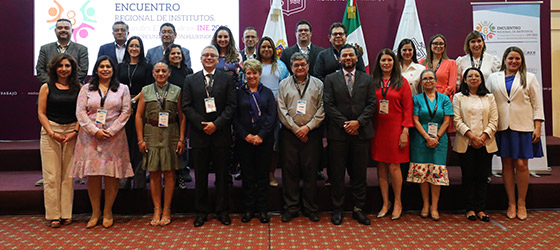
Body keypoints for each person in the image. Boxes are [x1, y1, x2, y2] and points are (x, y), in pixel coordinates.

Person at [71, 56, 133, 228]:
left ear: (113, 70)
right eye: (101, 66)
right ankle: (95, 212)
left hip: (115, 137)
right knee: (94, 174)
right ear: (96, 69)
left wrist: (111, 131)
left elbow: (126, 112)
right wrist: (95, 131)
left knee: (111, 175)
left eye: (108, 67)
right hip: (90, 137)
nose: (105, 69)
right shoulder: (86, 88)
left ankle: (107, 211)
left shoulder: (122, 89)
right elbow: (80, 112)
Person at [486, 47, 544, 220]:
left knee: (522, 165)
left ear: (522, 61)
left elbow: (537, 104)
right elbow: (488, 100)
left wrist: (538, 126)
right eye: (511, 58)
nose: (514, 61)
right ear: (504, 59)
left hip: (524, 127)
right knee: (507, 165)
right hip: (502, 126)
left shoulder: (530, 78)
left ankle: (521, 203)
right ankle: (511, 203)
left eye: (517, 58)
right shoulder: (493, 78)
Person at [182, 45, 237, 227]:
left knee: (222, 176)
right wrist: (202, 124)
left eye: (212, 55)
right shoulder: (191, 79)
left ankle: (222, 211)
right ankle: (201, 212)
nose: (209, 58)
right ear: (200, 58)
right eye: (205, 55)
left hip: (220, 134)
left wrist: (216, 124)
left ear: (217, 59)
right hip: (199, 135)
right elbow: (187, 106)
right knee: (201, 176)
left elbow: (231, 105)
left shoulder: (227, 79)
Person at [323, 44, 376, 225]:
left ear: (356, 58)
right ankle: (337, 209)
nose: (347, 58)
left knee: (359, 174)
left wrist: (358, 122)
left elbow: (371, 104)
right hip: (338, 134)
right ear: (339, 59)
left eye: (351, 55)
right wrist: (345, 123)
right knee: (337, 174)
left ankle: (358, 209)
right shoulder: (330, 79)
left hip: (361, 134)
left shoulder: (367, 79)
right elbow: (328, 104)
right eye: (344, 55)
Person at [135, 62, 186, 226]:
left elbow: (182, 116)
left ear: (169, 73)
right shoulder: (145, 90)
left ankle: (167, 209)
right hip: (151, 133)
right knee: (154, 173)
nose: (161, 73)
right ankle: (157, 209)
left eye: (164, 71)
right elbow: (138, 116)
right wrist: (140, 139)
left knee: (169, 173)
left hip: (171, 133)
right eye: (157, 71)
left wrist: (181, 138)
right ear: (153, 73)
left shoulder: (177, 90)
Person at [277, 52, 325, 223]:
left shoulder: (318, 84)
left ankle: (311, 208)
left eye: (302, 64)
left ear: (308, 65)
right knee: (289, 172)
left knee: (310, 172)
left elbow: (322, 109)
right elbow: (281, 109)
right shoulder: (283, 84)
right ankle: (291, 207)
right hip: (289, 134)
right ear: (291, 67)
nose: (299, 68)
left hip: (311, 134)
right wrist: (296, 128)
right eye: (296, 65)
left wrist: (307, 128)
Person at [37, 54, 81, 228]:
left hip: (72, 133)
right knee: (51, 175)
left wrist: (75, 131)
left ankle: (66, 213)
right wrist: (51, 132)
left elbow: (82, 112)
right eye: (61, 66)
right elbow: (41, 113)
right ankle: (54, 215)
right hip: (51, 132)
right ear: (55, 68)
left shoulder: (79, 87)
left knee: (68, 176)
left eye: (67, 66)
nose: (64, 69)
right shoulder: (46, 87)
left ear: (72, 68)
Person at [370, 49, 413, 221]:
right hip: (378, 129)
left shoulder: (401, 82)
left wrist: (405, 131)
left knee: (394, 167)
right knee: (381, 166)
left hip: (396, 129)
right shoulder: (373, 82)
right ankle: (385, 203)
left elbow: (408, 109)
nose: (386, 63)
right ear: (378, 63)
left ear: (394, 63)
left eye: (389, 60)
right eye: (383, 60)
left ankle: (397, 202)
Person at [233, 59, 277, 223]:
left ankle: (263, 210)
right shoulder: (239, 93)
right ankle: (249, 209)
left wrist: (261, 135)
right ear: (245, 74)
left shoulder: (267, 93)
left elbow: (272, 117)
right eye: (248, 73)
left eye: (254, 73)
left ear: (260, 74)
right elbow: (235, 118)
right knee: (248, 176)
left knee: (262, 176)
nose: (251, 76)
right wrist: (246, 135)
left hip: (263, 141)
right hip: (244, 141)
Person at [453, 67, 498, 222]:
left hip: (486, 143)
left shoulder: (489, 97)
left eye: (476, 76)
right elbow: (457, 120)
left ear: (481, 79)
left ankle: (481, 209)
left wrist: (483, 137)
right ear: (465, 80)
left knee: (483, 176)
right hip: (466, 142)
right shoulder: (458, 97)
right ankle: (470, 208)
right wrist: (472, 137)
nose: (473, 78)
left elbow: (494, 120)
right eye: (470, 76)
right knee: (468, 176)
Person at [407, 69, 453, 221]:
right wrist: (427, 137)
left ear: (436, 81)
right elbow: (415, 120)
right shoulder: (416, 99)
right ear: (421, 82)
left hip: (439, 140)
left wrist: (436, 136)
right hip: (420, 139)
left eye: (431, 78)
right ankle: (426, 205)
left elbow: (447, 120)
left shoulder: (444, 99)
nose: (428, 81)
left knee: (436, 172)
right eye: (425, 79)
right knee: (423, 173)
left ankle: (435, 207)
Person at [117, 36, 154, 189]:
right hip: (122, 107)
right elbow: (117, 86)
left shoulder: (147, 66)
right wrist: (126, 102)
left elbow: (147, 88)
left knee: (138, 144)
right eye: (131, 46)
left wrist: (133, 101)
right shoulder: (120, 66)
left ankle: (139, 180)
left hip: (141, 106)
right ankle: (124, 178)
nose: (134, 49)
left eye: (137, 46)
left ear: (141, 48)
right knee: (124, 143)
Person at [255, 36, 290, 186]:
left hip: (275, 109)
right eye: (263, 47)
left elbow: (287, 85)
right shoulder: (254, 65)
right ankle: (256, 174)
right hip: (255, 109)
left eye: (269, 47)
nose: (266, 49)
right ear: (259, 49)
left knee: (274, 143)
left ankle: (270, 174)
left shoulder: (280, 66)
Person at [163, 43, 194, 187]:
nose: (176, 56)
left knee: (182, 142)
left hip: (184, 112)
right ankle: (169, 173)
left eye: (178, 53)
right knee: (168, 143)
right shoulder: (164, 71)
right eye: (173, 53)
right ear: (168, 56)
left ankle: (182, 171)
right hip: (167, 112)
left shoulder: (189, 71)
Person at [36, 18, 89, 85]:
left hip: (74, 89)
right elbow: (40, 70)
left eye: (66, 28)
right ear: (55, 30)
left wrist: (66, 84)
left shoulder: (82, 49)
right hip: (51, 89)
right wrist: (55, 85)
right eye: (60, 28)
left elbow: (83, 71)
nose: (63, 30)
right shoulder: (45, 49)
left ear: (72, 30)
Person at [419, 34, 457, 115]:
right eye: (435, 43)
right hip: (425, 98)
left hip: (443, 100)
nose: (438, 46)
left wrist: (439, 100)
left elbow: (452, 86)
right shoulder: (422, 63)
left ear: (445, 46)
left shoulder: (451, 63)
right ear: (430, 45)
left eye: (441, 44)